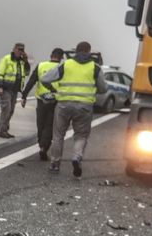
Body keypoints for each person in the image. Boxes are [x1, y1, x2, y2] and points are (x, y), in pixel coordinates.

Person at [41, 41, 106, 178]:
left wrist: (52, 89)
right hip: (84, 106)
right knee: (81, 136)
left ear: (76, 51)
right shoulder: (95, 67)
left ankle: (54, 164)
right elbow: (104, 88)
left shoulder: (66, 64)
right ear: (89, 51)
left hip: (64, 104)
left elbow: (45, 78)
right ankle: (76, 158)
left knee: (58, 135)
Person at [20, 47, 64, 161]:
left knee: (40, 124)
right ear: (61, 57)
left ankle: (41, 144)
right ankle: (44, 147)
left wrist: (24, 96)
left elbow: (31, 81)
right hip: (55, 101)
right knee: (49, 125)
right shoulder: (62, 68)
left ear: (51, 55)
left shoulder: (41, 65)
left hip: (41, 100)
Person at [0, 42, 30, 138]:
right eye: (19, 49)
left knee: (11, 110)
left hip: (15, 89)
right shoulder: (6, 59)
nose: (20, 51)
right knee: (6, 109)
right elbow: (0, 73)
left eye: (22, 50)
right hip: (6, 88)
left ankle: (5, 128)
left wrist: (26, 61)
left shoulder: (22, 62)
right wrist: (0, 86)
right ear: (14, 49)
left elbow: (27, 73)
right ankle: (2, 131)